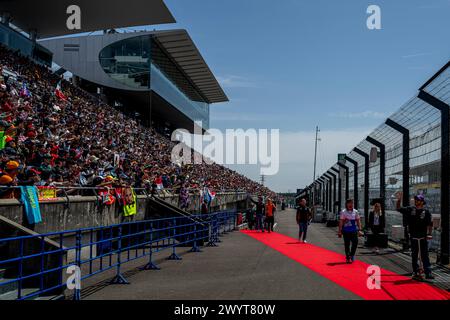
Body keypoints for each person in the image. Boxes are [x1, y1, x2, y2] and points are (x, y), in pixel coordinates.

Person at [396, 192, 434, 280]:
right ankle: (416, 271)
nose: (418, 202)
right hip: (413, 236)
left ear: (422, 202)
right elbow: (398, 208)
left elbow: (430, 224)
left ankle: (428, 272)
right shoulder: (411, 209)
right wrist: (399, 199)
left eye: (419, 201)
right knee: (414, 254)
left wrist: (429, 234)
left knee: (425, 254)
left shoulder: (426, 212)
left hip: (423, 236)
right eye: (416, 200)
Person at [338, 199, 363, 264]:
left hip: (354, 230)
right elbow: (341, 222)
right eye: (349, 203)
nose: (351, 204)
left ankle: (352, 255)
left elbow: (358, 220)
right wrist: (339, 231)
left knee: (355, 243)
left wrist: (359, 229)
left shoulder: (356, 211)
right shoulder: (343, 212)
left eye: (352, 203)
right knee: (347, 244)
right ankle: (348, 258)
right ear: (346, 204)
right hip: (346, 231)